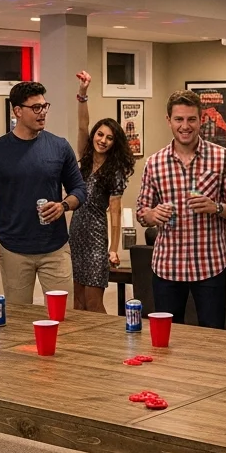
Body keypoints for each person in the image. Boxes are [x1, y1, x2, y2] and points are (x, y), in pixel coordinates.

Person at [135, 90, 226, 328]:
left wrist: (216, 207)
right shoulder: (154, 163)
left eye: (191, 119)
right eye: (179, 119)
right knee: (165, 337)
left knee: (212, 337)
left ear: (201, 120)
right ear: (169, 121)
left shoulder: (222, 158)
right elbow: (142, 212)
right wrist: (152, 215)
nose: (185, 126)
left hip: (209, 266)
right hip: (167, 267)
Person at [0, 81, 88, 306]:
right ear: (17, 111)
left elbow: (80, 190)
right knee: (18, 318)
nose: (42, 112)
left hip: (55, 248)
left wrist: (63, 205)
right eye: (35, 108)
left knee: (63, 316)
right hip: (14, 249)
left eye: (44, 106)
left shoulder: (59, 147)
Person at [71, 71, 134, 312]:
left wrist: (113, 249)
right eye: (100, 134)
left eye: (109, 138)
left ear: (114, 143)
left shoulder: (114, 170)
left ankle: (109, 345)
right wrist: (83, 93)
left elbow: (115, 212)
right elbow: (82, 124)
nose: (103, 140)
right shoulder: (84, 159)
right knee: (77, 302)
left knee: (93, 302)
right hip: (76, 232)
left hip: (97, 237)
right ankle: (82, 349)